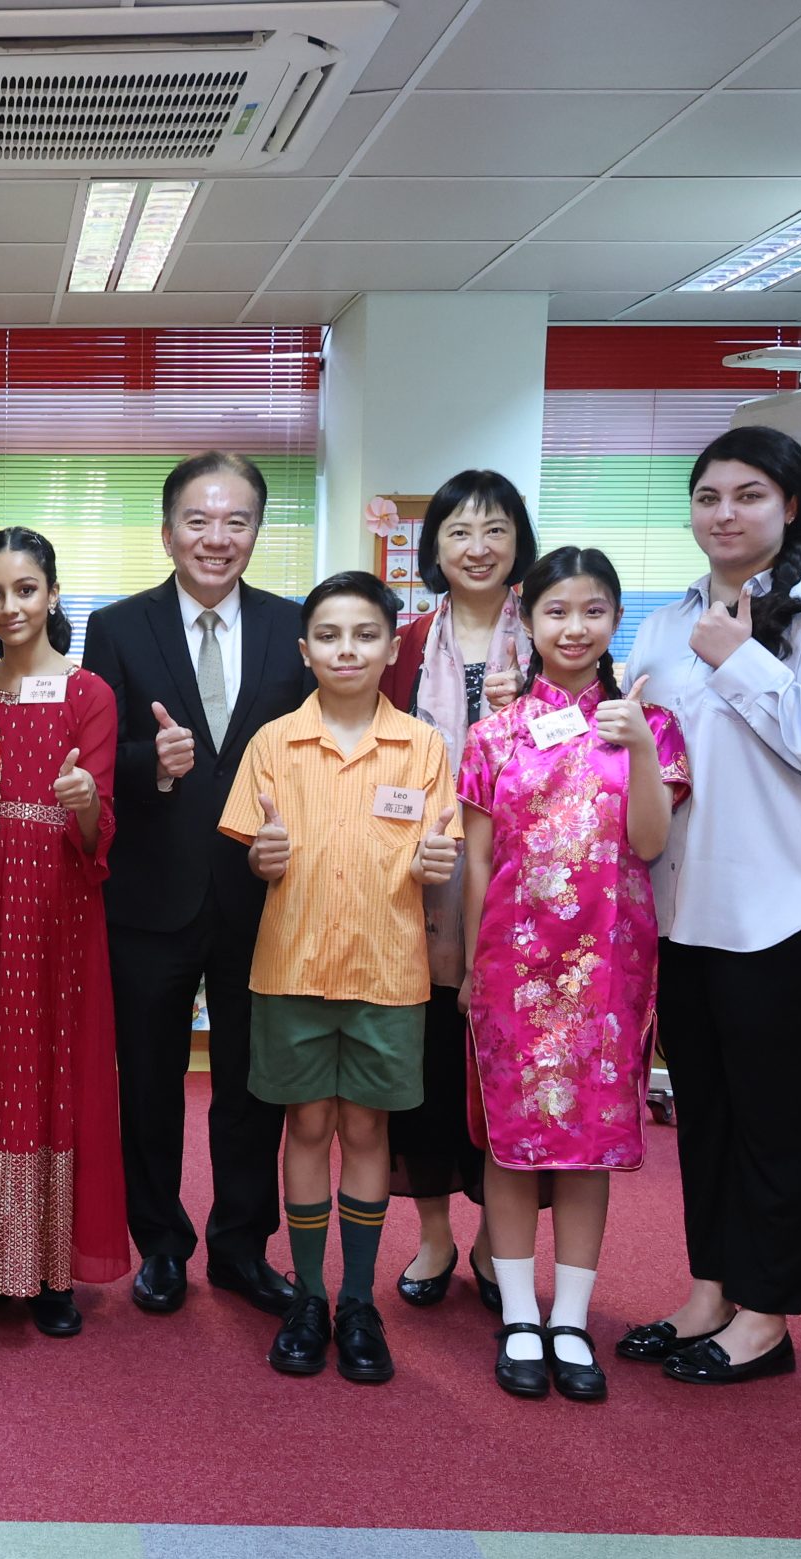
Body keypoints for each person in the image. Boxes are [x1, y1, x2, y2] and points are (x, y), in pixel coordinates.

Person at [622, 424, 801, 1386]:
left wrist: (741, 657)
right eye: (708, 497)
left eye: (747, 495)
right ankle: (710, 1290)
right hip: (687, 909)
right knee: (708, 1113)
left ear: (791, 507)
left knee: (778, 1119)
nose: (724, 514)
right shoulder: (663, 622)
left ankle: (766, 1315)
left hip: (789, 910)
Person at [81, 451, 315, 1316]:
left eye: (237, 521)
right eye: (199, 520)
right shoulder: (118, 627)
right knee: (148, 1081)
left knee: (255, 1084)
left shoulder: (297, 626)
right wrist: (155, 765)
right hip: (149, 895)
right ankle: (163, 1244)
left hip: (264, 895)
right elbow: (96, 762)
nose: (217, 539)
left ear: (257, 528)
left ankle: (241, 1246)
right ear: (168, 528)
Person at [219, 570, 460, 1385]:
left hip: (389, 974)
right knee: (307, 1128)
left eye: (364, 634)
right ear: (305, 648)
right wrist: (263, 856)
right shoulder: (273, 743)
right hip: (289, 968)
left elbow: (439, 849)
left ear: (393, 647)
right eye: (329, 634)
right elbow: (254, 847)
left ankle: (358, 1301)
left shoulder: (424, 747)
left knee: (366, 1132)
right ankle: (309, 1298)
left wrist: (435, 861)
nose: (346, 649)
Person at [458, 548, 688, 1402]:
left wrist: (634, 748)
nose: (575, 627)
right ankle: (519, 1311)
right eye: (557, 610)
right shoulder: (494, 734)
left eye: (593, 610)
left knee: (587, 1152)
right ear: (528, 619)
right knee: (515, 1149)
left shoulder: (648, 727)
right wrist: (470, 967)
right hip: (512, 971)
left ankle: (571, 1318)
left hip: (608, 970)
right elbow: (478, 863)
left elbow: (654, 843)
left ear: (613, 620)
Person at [0, 527, 130, 1336]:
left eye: (25, 588)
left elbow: (97, 833)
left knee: (54, 1069)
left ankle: (51, 1267)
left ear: (53, 594)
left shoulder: (88, 694)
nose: (10, 606)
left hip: (59, 912)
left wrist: (84, 801)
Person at [378, 471, 534, 1314]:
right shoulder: (401, 644)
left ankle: (494, 1238)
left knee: (509, 1069)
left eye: (496, 530)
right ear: (433, 547)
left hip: (528, 898)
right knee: (428, 1067)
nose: (478, 548)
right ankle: (436, 1234)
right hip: (420, 893)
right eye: (460, 532)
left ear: (519, 542)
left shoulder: (551, 638)